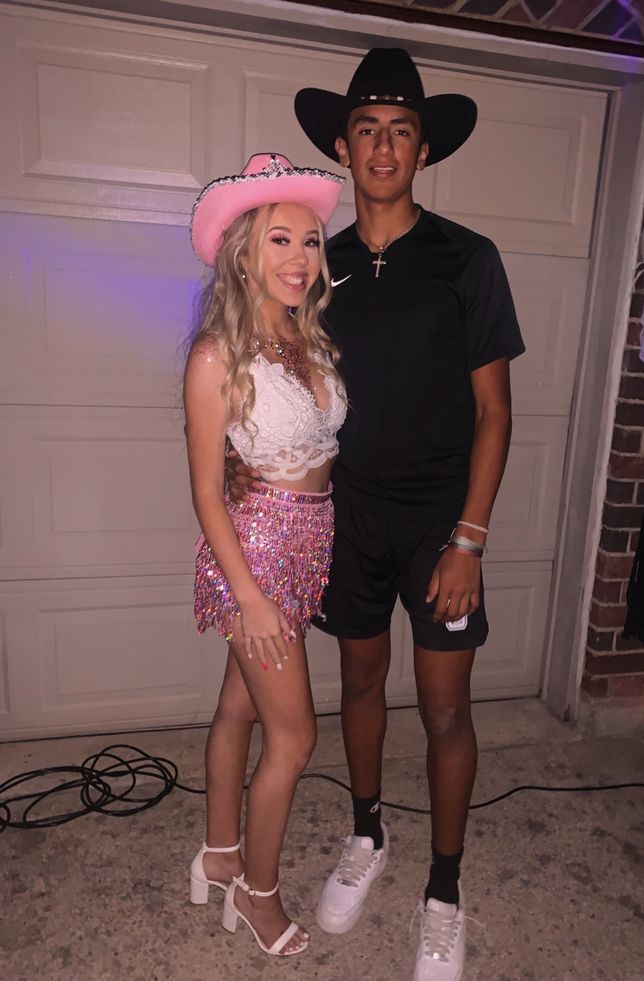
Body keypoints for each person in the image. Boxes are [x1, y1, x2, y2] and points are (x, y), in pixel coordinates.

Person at [229, 48, 525, 981]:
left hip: (442, 523)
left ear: (423, 148)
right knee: (360, 684)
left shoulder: (469, 260)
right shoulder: (320, 264)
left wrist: (470, 536)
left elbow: (495, 411)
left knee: (444, 708)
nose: (384, 144)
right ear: (343, 147)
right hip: (346, 522)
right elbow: (267, 370)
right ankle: (367, 831)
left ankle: (444, 886)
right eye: (367, 129)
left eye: (401, 129)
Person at [184, 152, 346, 958]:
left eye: (312, 242)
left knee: (241, 708)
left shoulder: (301, 334)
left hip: (305, 545)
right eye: (280, 240)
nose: (299, 259)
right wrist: (249, 596)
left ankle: (218, 851)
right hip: (254, 554)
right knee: (296, 739)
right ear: (243, 249)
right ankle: (257, 893)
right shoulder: (218, 353)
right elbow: (210, 491)